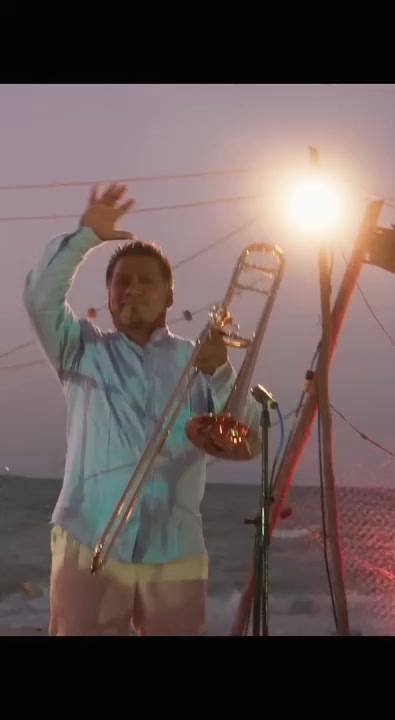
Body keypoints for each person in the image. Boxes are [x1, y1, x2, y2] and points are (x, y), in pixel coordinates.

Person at [23, 183, 237, 635]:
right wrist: (84, 238)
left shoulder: (199, 359)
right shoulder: (81, 349)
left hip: (176, 546)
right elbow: (39, 299)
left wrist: (220, 371)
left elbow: (245, 438)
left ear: (170, 296)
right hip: (88, 537)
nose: (132, 289)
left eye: (146, 281)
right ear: (108, 295)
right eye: (122, 281)